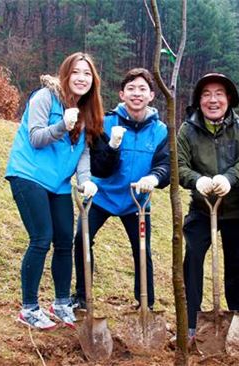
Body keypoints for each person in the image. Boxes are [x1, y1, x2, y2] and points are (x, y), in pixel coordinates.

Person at [6, 52, 104, 330]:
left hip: (59, 184)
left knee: (64, 240)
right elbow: (36, 138)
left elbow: (83, 154)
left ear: (93, 80)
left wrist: (85, 181)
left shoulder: (88, 111)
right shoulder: (44, 98)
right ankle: (29, 308)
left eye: (87, 73)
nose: (81, 78)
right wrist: (64, 125)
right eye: (76, 72)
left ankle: (61, 304)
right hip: (29, 175)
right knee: (41, 238)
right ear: (65, 74)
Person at [72, 68, 170, 310]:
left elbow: (165, 166)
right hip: (101, 195)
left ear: (151, 96)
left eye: (142, 89)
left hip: (136, 201)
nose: (136, 94)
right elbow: (100, 168)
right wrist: (113, 145)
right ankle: (83, 297)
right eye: (131, 89)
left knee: (142, 250)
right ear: (122, 94)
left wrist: (154, 178)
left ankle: (145, 302)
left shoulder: (161, 131)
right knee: (81, 239)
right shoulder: (105, 123)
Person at [177, 73, 239, 340]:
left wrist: (230, 178)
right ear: (199, 101)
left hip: (237, 210)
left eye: (219, 93)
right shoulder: (187, 130)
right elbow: (180, 165)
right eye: (206, 94)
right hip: (202, 209)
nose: (213, 100)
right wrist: (196, 180)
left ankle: (238, 321)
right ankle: (190, 323)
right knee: (193, 261)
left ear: (229, 99)